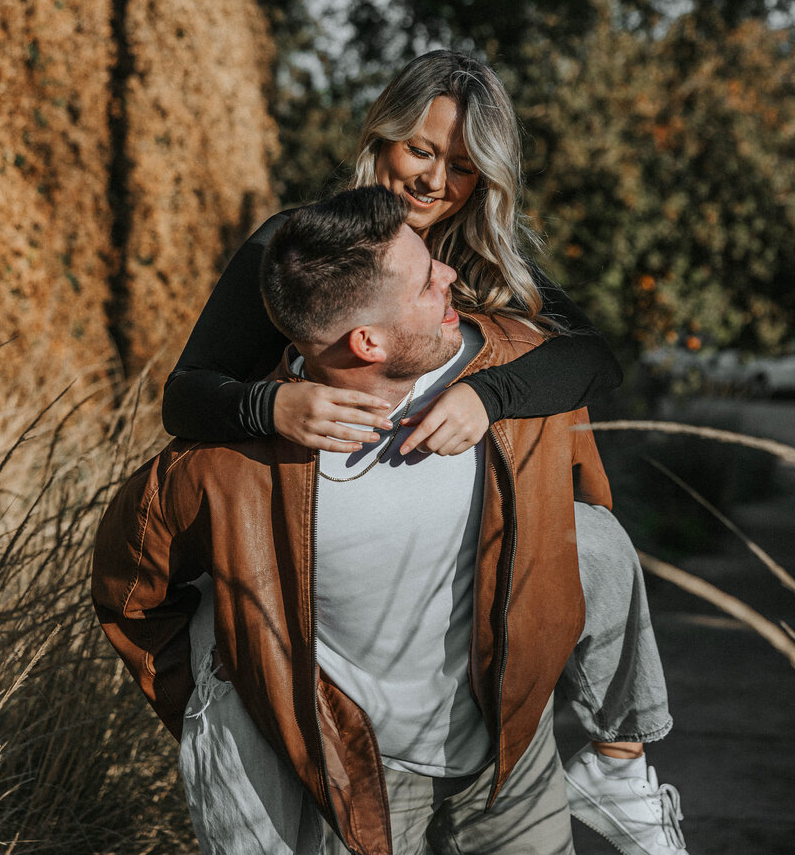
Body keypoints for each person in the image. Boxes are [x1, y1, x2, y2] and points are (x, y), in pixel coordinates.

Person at [161, 51, 688, 855]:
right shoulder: (305, 249)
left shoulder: (479, 262)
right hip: (344, 652)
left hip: (471, 649)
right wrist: (271, 402)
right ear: (382, 132)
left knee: (597, 544)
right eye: (421, 150)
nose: (436, 181)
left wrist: (488, 395)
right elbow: (185, 394)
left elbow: (591, 357)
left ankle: (619, 760)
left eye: (466, 167)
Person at [93, 185, 616, 855]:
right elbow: (129, 593)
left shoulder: (517, 372)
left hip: (512, 763)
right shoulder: (226, 472)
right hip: (360, 784)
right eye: (430, 282)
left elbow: (585, 508)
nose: (454, 275)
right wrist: (240, 707)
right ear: (366, 341)